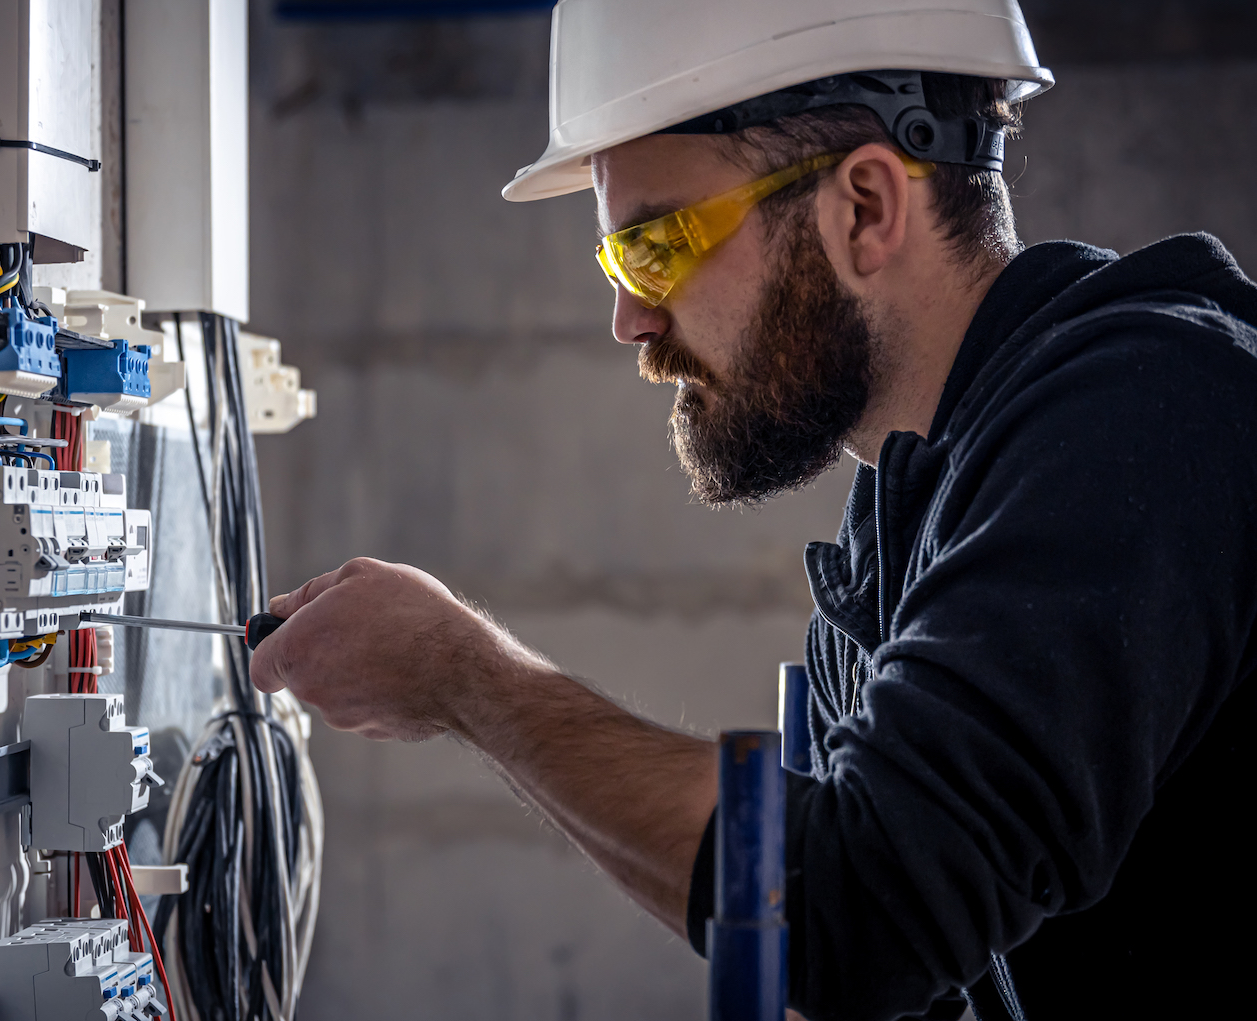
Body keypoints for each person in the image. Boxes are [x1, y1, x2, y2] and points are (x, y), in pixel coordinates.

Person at [248, 2, 1255, 1019]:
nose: (628, 319)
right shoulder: (913, 512)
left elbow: (858, 908)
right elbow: (882, 964)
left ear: (864, 206)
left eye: (658, 245)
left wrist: (466, 676)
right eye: (618, 262)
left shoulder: (1151, 414)